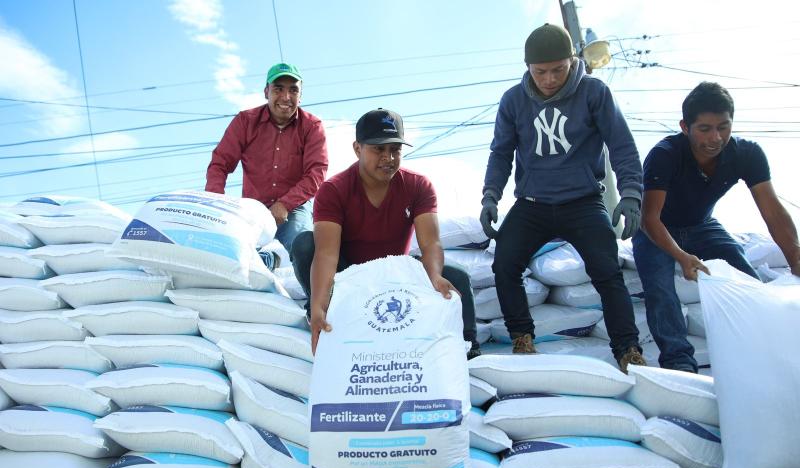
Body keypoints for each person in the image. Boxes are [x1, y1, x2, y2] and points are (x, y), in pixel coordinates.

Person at [480, 23, 646, 372]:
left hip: (583, 201)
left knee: (607, 270)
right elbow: (500, 153)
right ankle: (522, 339)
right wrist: (490, 196)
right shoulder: (513, 100)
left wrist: (631, 194)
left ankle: (628, 349)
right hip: (532, 203)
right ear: (527, 67)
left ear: (573, 61)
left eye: (559, 69)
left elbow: (622, 145)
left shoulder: (594, 93)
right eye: (540, 72)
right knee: (504, 263)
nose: (550, 79)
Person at [633, 81, 800, 373]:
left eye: (723, 127)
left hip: (702, 225)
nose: (716, 138)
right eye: (705, 129)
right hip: (658, 228)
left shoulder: (747, 154)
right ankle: (679, 363)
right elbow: (649, 218)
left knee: (745, 276)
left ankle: (765, 349)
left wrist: (795, 256)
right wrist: (681, 256)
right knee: (660, 288)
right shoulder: (665, 155)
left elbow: (772, 211)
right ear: (685, 127)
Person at [291, 108, 480, 359]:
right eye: (378, 149)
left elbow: (431, 243)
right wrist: (317, 307)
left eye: (395, 150)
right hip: (349, 274)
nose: (388, 158)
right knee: (305, 244)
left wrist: (434, 276)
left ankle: (468, 348)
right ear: (357, 149)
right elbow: (326, 254)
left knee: (457, 277)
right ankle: (329, 316)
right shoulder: (333, 190)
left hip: (397, 272)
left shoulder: (418, 186)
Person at [205, 62, 328, 270]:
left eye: (293, 90)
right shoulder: (245, 121)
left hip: (294, 208)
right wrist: (217, 204)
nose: (286, 97)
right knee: (229, 251)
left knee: (305, 246)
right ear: (266, 92)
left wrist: (284, 204)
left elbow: (316, 173)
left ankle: (316, 302)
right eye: (278, 89)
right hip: (253, 208)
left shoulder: (312, 126)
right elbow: (219, 164)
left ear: (301, 95)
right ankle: (268, 260)